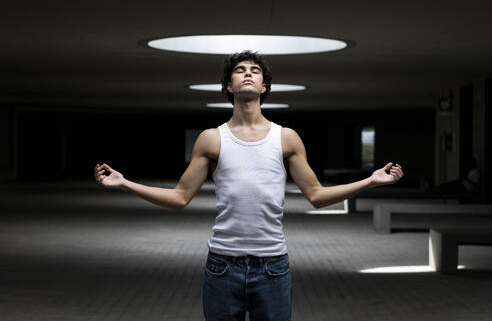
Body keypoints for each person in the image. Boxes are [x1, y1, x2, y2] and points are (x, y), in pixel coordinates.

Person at [93, 50, 404, 321]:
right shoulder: (212, 138)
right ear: (229, 86)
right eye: (240, 70)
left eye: (254, 71)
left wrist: (370, 180)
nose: (247, 74)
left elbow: (317, 195)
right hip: (221, 266)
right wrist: (125, 184)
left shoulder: (286, 137)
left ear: (264, 86)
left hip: (273, 267)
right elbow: (179, 197)